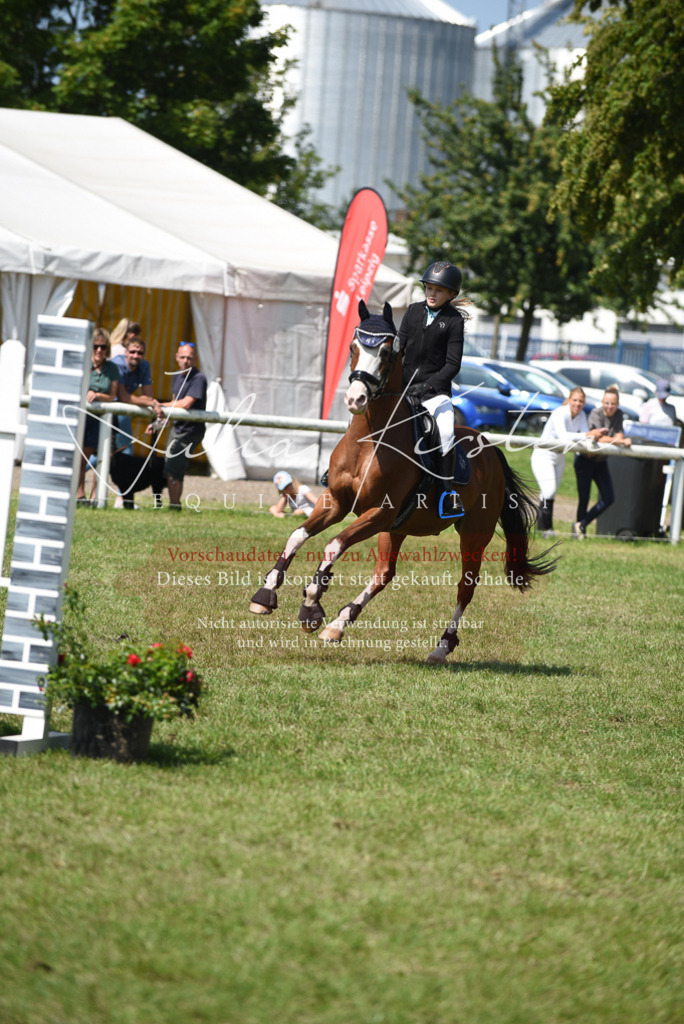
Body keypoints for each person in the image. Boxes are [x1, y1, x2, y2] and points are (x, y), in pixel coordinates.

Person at [398, 260, 465, 515]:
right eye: (429, 288)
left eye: (438, 290)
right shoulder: (413, 311)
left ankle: (447, 494)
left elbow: (452, 365)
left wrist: (427, 386)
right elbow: (399, 349)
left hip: (435, 394)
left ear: (451, 294)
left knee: (446, 432)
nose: (432, 293)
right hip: (403, 390)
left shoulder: (454, 321)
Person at [531, 387, 607, 538]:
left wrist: (595, 437)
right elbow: (563, 436)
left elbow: (585, 436)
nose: (578, 404)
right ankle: (546, 529)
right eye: (575, 400)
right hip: (543, 455)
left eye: (581, 401)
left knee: (550, 492)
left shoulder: (581, 415)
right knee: (549, 490)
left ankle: (542, 528)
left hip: (559, 456)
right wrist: (588, 434)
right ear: (569, 400)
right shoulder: (560, 412)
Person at [149, 342, 207, 510]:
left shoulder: (198, 378)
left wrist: (160, 405)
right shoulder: (177, 376)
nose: (185, 361)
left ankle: (174, 506)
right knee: (173, 469)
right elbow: (175, 404)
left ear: (195, 359)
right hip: (178, 428)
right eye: (182, 357)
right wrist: (158, 423)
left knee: (172, 468)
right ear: (176, 357)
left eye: (189, 358)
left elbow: (185, 404)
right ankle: (175, 505)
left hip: (190, 431)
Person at [573, 385, 632, 539]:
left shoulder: (619, 414)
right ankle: (578, 533)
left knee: (608, 498)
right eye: (607, 403)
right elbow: (597, 438)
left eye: (613, 404)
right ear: (602, 402)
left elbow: (618, 434)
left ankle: (582, 524)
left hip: (601, 461)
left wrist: (616, 439)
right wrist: (619, 441)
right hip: (585, 460)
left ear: (617, 404)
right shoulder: (595, 413)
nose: (609, 406)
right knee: (584, 498)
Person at [77, 328, 119, 501]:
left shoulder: (112, 368)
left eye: (103, 347)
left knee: (97, 458)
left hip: (100, 419)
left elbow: (112, 395)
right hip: (81, 416)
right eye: (95, 346)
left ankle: (96, 496)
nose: (99, 350)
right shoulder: (82, 364)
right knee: (79, 457)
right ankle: (79, 493)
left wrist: (98, 395)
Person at [112, 337, 155, 455]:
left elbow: (149, 396)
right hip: (104, 408)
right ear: (125, 352)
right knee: (123, 451)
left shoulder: (144, 365)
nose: (136, 356)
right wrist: (149, 402)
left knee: (110, 452)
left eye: (140, 353)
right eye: (132, 352)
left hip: (120, 410)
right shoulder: (117, 363)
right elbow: (123, 397)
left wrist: (147, 401)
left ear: (144, 354)